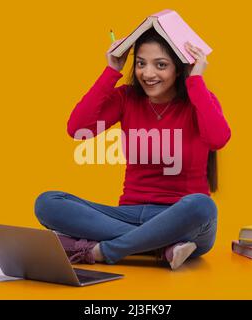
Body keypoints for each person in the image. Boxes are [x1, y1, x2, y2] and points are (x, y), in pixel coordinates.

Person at [35, 28, 231, 270]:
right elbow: (77, 128)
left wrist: (196, 81)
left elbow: (218, 138)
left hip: (182, 219)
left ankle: (104, 250)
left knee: (202, 205)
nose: (147, 73)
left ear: (179, 67)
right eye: (140, 63)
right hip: (129, 212)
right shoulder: (127, 98)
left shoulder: (199, 100)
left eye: (160, 65)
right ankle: (162, 247)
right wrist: (111, 71)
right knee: (48, 203)